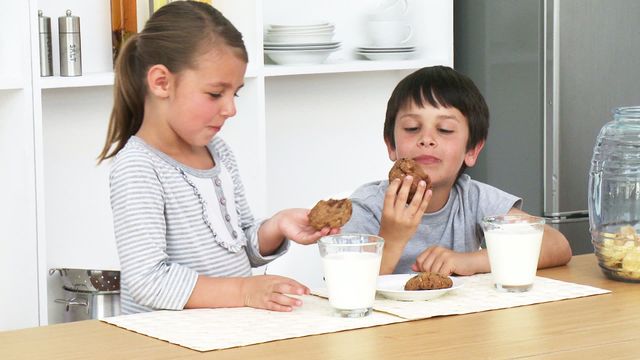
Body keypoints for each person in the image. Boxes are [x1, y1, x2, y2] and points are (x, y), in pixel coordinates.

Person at [97, 1, 336, 315]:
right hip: (165, 343)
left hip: (220, 335)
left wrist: (277, 226)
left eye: (234, 93)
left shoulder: (218, 152)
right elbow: (148, 280)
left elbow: (242, 246)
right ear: (161, 82)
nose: (230, 109)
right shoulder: (139, 167)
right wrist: (245, 290)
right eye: (215, 94)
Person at [341, 66, 572, 276]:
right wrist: (392, 238)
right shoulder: (365, 207)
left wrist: (470, 261)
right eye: (412, 128)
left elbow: (556, 245)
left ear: (472, 150)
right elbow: (348, 284)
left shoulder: (472, 198)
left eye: (445, 129)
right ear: (391, 145)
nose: (427, 139)